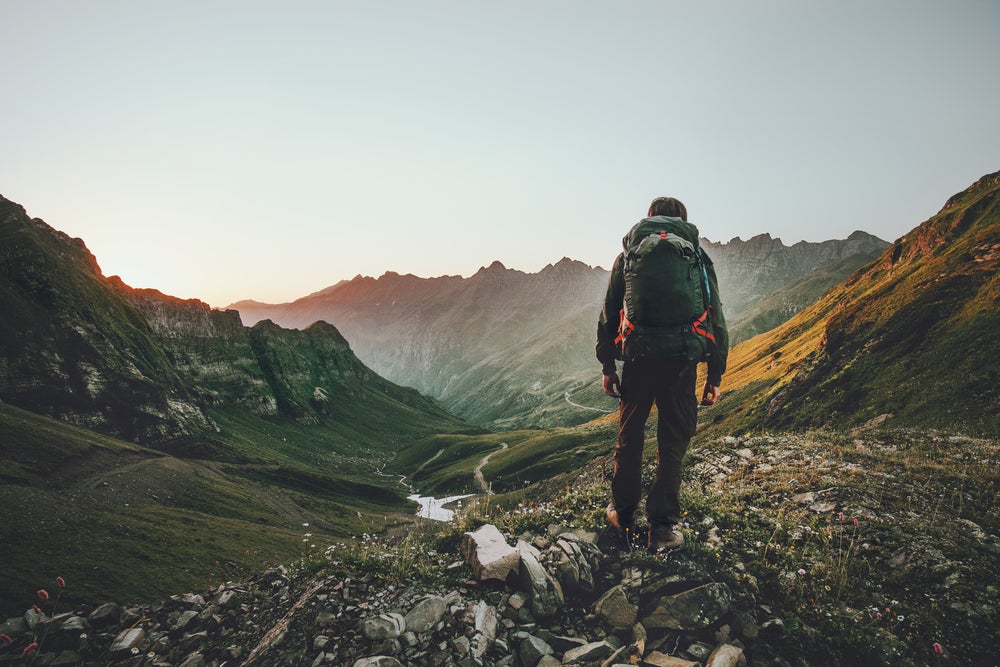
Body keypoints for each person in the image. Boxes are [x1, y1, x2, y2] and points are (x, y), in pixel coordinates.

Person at [596, 196, 728, 552]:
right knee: (673, 444)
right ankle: (662, 528)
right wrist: (715, 376)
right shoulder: (698, 258)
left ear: (650, 218)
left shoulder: (629, 256)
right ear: (683, 220)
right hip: (682, 363)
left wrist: (608, 367)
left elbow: (609, 314)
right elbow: (716, 316)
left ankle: (623, 515)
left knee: (630, 438)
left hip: (638, 359)